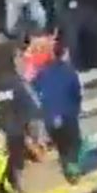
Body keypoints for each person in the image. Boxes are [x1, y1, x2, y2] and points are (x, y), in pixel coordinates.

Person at [32, 42, 82, 183]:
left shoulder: (42, 73)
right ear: (64, 53)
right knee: (74, 142)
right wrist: (76, 109)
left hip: (50, 118)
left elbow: (35, 91)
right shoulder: (70, 71)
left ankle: (67, 165)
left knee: (61, 143)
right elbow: (76, 94)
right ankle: (71, 167)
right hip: (68, 116)